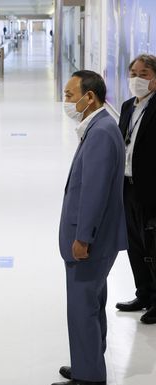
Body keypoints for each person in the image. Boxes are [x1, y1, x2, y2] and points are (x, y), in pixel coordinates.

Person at [50, 70, 128, 385]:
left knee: (82, 305)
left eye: (70, 96)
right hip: (97, 237)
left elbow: (93, 192)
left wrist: (83, 238)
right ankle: (89, 360)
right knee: (92, 301)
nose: (67, 102)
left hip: (90, 240)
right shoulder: (100, 126)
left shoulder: (100, 133)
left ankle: (90, 376)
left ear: (89, 97)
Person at [115, 54, 156, 324]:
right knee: (134, 245)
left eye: (144, 74)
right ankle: (143, 294)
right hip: (127, 187)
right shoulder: (128, 106)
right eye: (133, 74)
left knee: (153, 246)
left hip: (151, 190)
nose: (137, 79)